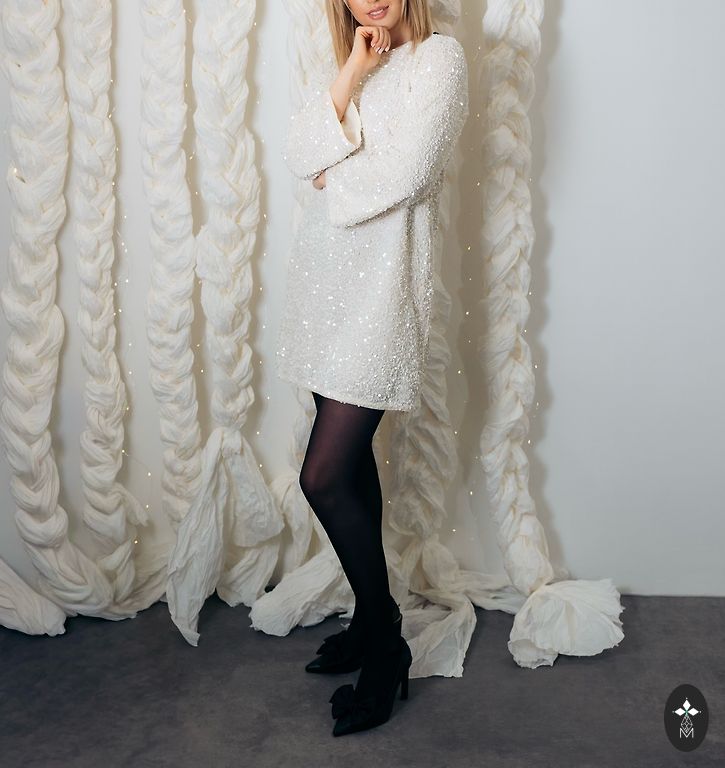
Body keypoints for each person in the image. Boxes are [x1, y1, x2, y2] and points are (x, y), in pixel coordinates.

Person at [276, 0, 469, 736]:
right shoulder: (361, 63)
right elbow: (302, 151)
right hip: (326, 284)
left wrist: (335, 175)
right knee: (351, 465)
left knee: (321, 475)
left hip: (382, 290)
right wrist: (355, 66)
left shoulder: (439, 59)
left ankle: (386, 644)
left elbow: (408, 173)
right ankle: (367, 618)